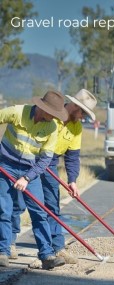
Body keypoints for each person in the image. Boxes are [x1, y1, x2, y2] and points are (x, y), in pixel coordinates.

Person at [10, 89, 97, 265]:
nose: (83, 117)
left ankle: (57, 247)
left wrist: (72, 180)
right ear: (74, 106)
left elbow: (72, 156)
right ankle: (9, 242)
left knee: (52, 204)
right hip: (31, 158)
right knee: (18, 201)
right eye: (82, 113)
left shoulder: (76, 127)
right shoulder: (51, 114)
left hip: (51, 163)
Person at [0, 91, 68, 269]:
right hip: (5, 165)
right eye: (51, 113)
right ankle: (3, 252)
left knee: (39, 212)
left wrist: (27, 177)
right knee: (4, 210)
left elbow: (45, 159)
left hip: (31, 171)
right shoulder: (17, 112)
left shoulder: (51, 128)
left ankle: (46, 255)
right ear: (42, 107)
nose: (53, 117)